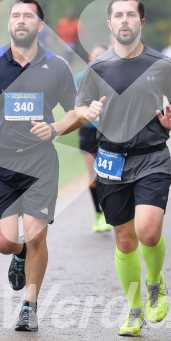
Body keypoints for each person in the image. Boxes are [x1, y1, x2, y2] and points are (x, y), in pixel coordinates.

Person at [0, 0, 79, 332]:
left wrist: (54, 128)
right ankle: (19, 253)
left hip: (40, 162)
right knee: (4, 242)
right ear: (9, 24)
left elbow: (75, 111)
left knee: (38, 235)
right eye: (15, 16)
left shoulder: (57, 67)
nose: (21, 20)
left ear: (41, 26)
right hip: (0, 161)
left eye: (28, 16)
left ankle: (30, 305)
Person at [75, 0, 171, 337]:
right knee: (124, 241)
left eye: (131, 15)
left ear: (141, 22)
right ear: (110, 24)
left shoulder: (162, 64)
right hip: (111, 159)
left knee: (148, 231)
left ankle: (155, 283)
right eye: (118, 15)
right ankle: (135, 309)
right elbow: (80, 108)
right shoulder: (98, 67)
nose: (124, 20)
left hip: (152, 156)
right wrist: (87, 113)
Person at [74, 43, 110, 233]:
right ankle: (98, 214)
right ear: (90, 57)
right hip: (88, 130)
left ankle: (111, 211)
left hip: (109, 131)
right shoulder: (81, 78)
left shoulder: (114, 77)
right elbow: (73, 104)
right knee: (93, 176)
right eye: (96, 56)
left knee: (108, 174)